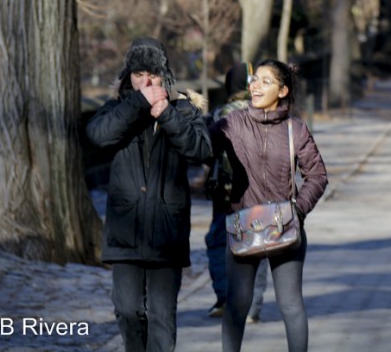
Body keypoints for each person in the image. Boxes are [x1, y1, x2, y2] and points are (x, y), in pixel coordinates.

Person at [86, 37, 212, 352]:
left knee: (161, 317)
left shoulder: (183, 109)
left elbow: (201, 150)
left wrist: (166, 114)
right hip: (125, 231)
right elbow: (97, 136)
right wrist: (139, 103)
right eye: (139, 73)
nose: (147, 80)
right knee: (128, 310)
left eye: (153, 74)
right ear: (128, 76)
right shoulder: (117, 109)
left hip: (166, 232)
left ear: (164, 75)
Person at [209, 59, 328, 352]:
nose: (256, 86)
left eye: (265, 81)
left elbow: (318, 175)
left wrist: (298, 210)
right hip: (241, 226)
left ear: (283, 90)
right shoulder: (232, 123)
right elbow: (201, 147)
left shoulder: (295, 129)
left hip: (286, 228)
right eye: (255, 80)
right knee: (237, 305)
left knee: (290, 305)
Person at [204, 62, 268, 321]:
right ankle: (252, 306)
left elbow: (207, 151)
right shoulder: (265, 110)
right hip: (263, 192)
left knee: (219, 243)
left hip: (228, 194)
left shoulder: (223, 113)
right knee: (258, 246)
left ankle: (225, 296)